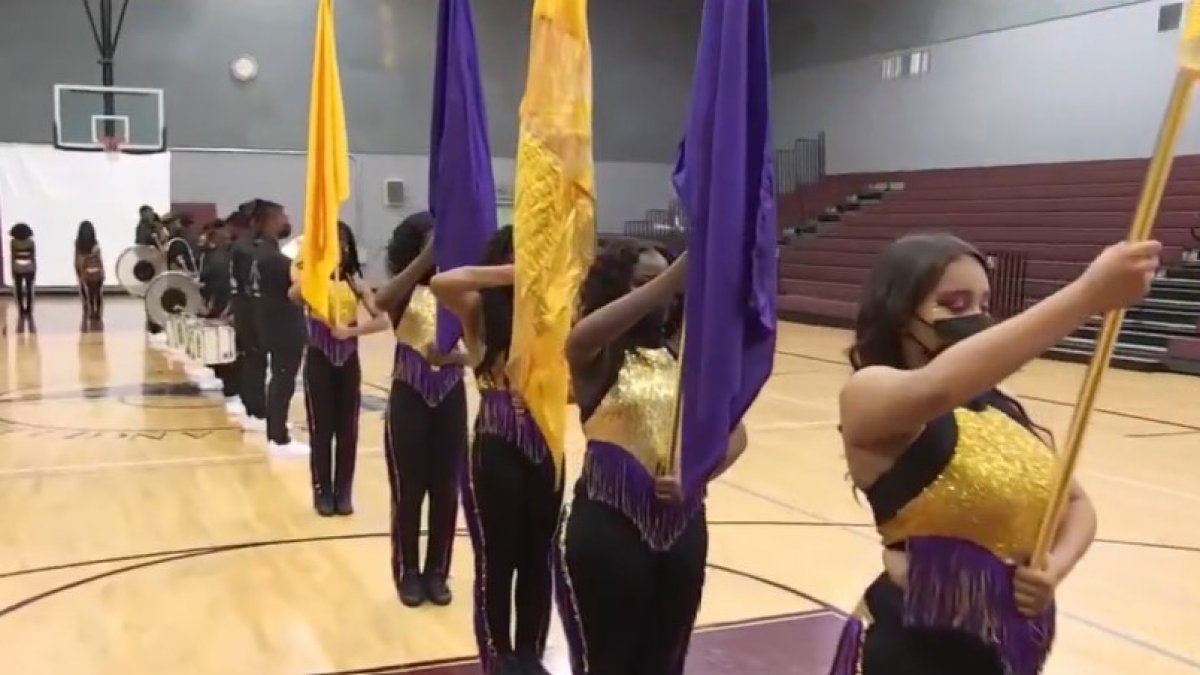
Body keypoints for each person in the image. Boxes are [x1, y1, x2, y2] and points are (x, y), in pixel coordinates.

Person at [827, 233, 1158, 675]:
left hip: (1006, 652)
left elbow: (1074, 503)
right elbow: (935, 387)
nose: (976, 318)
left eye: (982, 305)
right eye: (954, 304)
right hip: (914, 653)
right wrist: (1088, 295)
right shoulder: (869, 392)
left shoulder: (997, 405)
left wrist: (1052, 571)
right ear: (900, 315)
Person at [555, 240, 747, 675]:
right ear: (616, 287)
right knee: (609, 661)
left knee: (666, 660)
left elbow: (736, 434)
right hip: (608, 526)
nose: (665, 296)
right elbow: (578, 337)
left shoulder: (684, 359)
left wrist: (696, 476)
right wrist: (671, 280)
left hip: (682, 526)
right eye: (645, 283)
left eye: (671, 289)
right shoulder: (598, 354)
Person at [430, 226, 559, 675]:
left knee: (538, 556)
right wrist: (513, 274)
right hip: (496, 443)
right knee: (498, 556)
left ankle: (530, 653)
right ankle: (497, 654)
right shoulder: (479, 310)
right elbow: (442, 282)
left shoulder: (555, 313)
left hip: (547, 444)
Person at [372, 212, 469, 608]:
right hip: (409, 394)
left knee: (446, 492)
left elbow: (479, 345)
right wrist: (425, 260)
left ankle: (437, 572)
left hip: (449, 395)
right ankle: (407, 571)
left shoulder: (459, 290)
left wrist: (457, 358)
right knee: (409, 490)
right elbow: (380, 301)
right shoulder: (406, 289)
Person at [289, 222, 378, 517]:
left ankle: (344, 491)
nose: (338, 248)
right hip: (318, 358)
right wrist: (310, 268)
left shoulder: (356, 283)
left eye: (342, 242)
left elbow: (383, 318)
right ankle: (322, 490)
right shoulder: (312, 282)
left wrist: (353, 332)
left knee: (348, 430)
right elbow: (293, 295)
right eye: (331, 243)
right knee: (321, 429)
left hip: (348, 359)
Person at [247, 199, 307, 455]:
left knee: (278, 377)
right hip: (283, 324)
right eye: (282, 216)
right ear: (271, 220)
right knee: (284, 378)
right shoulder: (275, 259)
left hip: (266, 321)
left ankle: (276, 423)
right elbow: (296, 290)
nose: (286, 221)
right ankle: (278, 436)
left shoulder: (258, 252)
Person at [229, 203, 267, 430]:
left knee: (248, 357)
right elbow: (249, 285)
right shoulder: (246, 249)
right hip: (248, 308)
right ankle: (255, 409)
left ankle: (250, 403)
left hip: (241, 307)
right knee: (255, 358)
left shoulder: (239, 247)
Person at [199, 221, 240, 409]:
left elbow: (221, 284)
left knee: (226, 349)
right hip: (216, 304)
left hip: (221, 305)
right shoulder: (213, 255)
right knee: (220, 348)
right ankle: (226, 384)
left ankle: (230, 388)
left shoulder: (222, 257)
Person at [74, 221, 105, 323]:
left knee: (89, 293)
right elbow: (99, 260)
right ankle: (98, 313)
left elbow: (77, 259)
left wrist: (79, 272)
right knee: (98, 293)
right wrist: (102, 272)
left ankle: (90, 310)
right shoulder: (95, 244)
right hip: (97, 272)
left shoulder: (78, 244)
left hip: (86, 272)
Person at [8, 223, 36, 317]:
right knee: (29, 289)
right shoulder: (31, 242)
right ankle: (29, 309)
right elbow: (33, 257)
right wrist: (34, 268)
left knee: (18, 289)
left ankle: (21, 309)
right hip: (29, 267)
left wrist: (12, 269)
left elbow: (13, 257)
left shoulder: (13, 242)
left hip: (17, 267)